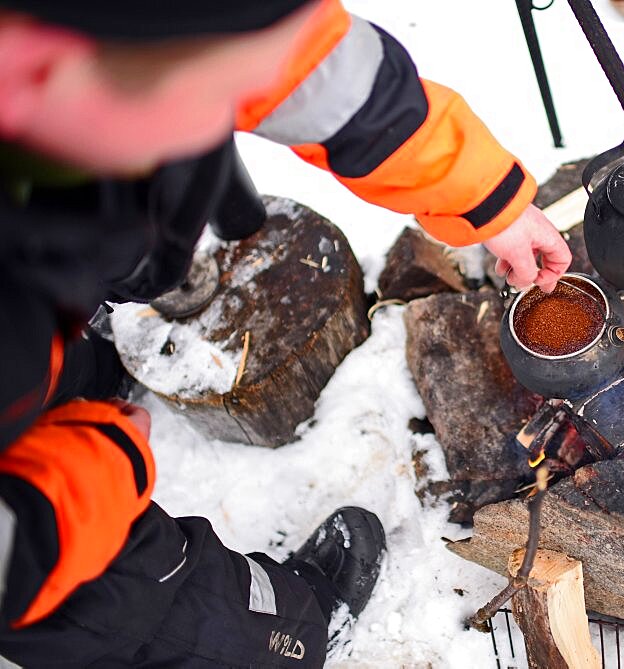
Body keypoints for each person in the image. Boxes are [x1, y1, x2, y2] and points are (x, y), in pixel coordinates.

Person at [0, 0, 572, 666]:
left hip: (41, 299)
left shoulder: (122, 58)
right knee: (138, 599)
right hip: (40, 543)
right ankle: (300, 629)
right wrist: (103, 459)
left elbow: (308, 61)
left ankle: (69, 369)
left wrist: (484, 196)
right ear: (48, 72)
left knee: (61, 358)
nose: (229, 119)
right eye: (205, 96)